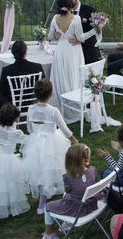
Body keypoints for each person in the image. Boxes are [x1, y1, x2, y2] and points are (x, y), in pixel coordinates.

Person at [22, 79, 77, 214]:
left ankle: (42, 203)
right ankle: (49, 200)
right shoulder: (53, 110)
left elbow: (29, 128)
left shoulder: (30, 109)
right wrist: (74, 140)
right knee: (56, 168)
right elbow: (65, 129)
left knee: (41, 170)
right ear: (51, 93)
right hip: (52, 143)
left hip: (35, 142)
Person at [47, 0, 97, 121]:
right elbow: (80, 38)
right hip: (73, 51)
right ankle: (74, 106)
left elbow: (51, 37)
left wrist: (58, 35)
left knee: (61, 77)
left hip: (60, 50)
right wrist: (94, 30)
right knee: (74, 76)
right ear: (70, 5)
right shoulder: (76, 18)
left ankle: (61, 105)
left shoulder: (55, 18)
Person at [43, 144, 101, 239]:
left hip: (78, 210)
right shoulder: (93, 170)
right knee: (69, 195)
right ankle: (67, 222)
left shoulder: (68, 177)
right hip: (92, 205)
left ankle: (48, 234)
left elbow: (68, 190)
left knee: (48, 206)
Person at [0, 40, 44, 110]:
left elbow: (3, 92)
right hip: (31, 101)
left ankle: (5, 116)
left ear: (13, 53)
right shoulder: (37, 67)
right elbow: (43, 87)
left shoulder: (6, 70)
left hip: (12, 103)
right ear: (26, 52)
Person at [64, 0, 102, 64]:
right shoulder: (63, 13)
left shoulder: (91, 11)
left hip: (88, 53)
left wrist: (80, 40)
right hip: (71, 53)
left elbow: (97, 32)